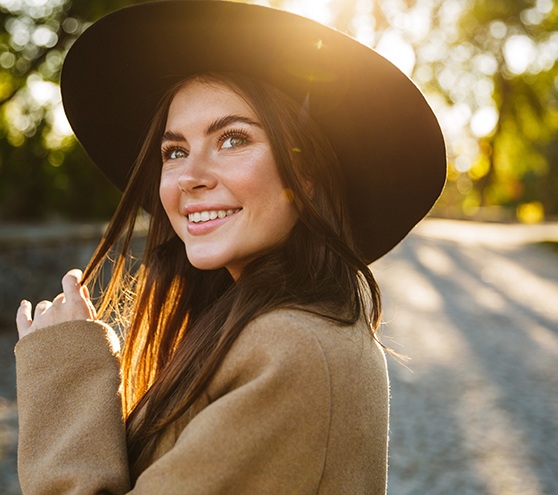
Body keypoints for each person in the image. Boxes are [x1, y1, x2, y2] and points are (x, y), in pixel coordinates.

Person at [14, 1, 446, 493]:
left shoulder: (292, 349)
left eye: (233, 139)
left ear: (306, 173)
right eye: (175, 151)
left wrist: (66, 374)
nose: (190, 178)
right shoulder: (261, 326)